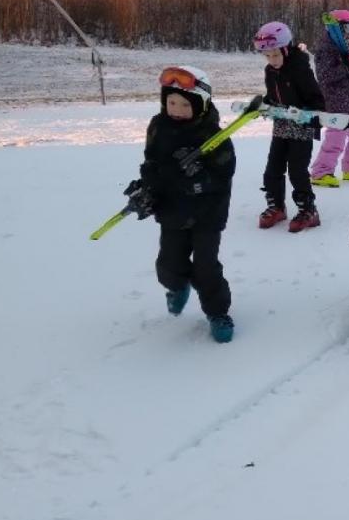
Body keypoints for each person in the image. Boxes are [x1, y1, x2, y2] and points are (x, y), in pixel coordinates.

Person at [124, 66, 237, 342]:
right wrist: (146, 190)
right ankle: (177, 287)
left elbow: (224, 174)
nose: (176, 108)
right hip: (172, 209)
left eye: (185, 104)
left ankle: (217, 312)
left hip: (207, 214)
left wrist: (198, 178)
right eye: (171, 101)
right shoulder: (158, 127)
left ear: (200, 104)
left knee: (206, 267)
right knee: (168, 264)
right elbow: (151, 162)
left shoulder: (214, 136)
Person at [253, 21, 324, 232]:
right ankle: (276, 207)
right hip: (281, 125)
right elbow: (274, 95)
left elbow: (317, 99)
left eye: (275, 55)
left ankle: (308, 210)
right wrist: (265, 104)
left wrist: (307, 113)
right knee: (272, 169)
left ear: (286, 49)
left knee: (297, 171)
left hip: (301, 126)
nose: (272, 60)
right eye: (267, 56)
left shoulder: (300, 69)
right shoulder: (271, 71)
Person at [311, 9, 349, 187]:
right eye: (348, 28)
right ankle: (321, 172)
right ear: (335, 28)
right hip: (336, 101)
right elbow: (325, 76)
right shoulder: (325, 49)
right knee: (336, 139)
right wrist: (348, 65)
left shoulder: (345, 49)